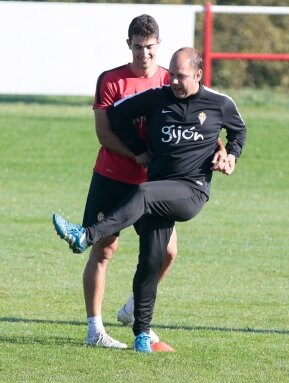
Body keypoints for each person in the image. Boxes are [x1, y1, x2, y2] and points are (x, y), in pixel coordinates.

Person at [53, 46, 247, 352]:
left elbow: (239, 131)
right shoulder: (158, 98)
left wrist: (230, 154)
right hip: (158, 191)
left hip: (191, 190)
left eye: (181, 77)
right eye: (172, 75)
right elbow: (117, 115)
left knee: (142, 192)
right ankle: (142, 333)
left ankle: (86, 236)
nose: (173, 82)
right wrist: (137, 150)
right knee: (150, 260)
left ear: (198, 75)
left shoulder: (219, 102)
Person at [82, 14, 228, 349]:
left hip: (156, 182)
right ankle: (95, 330)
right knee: (104, 249)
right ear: (128, 45)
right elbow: (104, 133)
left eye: (149, 47)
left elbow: (201, 125)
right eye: (137, 47)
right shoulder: (111, 80)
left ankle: (135, 309)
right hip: (113, 176)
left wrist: (222, 150)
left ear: (158, 45)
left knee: (167, 252)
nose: (143, 54)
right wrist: (136, 155)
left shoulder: (172, 80)